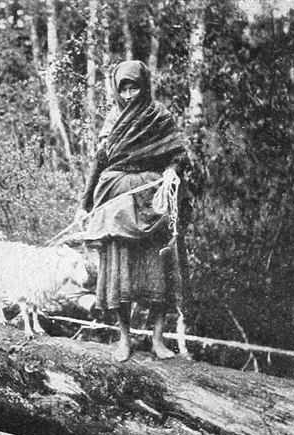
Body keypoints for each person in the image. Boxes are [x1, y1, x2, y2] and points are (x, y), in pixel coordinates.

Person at [74, 60, 191, 362]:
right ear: (116, 90)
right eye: (123, 89)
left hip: (152, 200)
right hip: (116, 198)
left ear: (144, 86)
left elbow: (179, 155)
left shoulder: (159, 116)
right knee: (119, 270)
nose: (128, 95)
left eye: (134, 88)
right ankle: (124, 339)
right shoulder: (113, 119)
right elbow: (99, 162)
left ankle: (158, 340)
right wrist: (84, 205)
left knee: (158, 270)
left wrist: (171, 171)